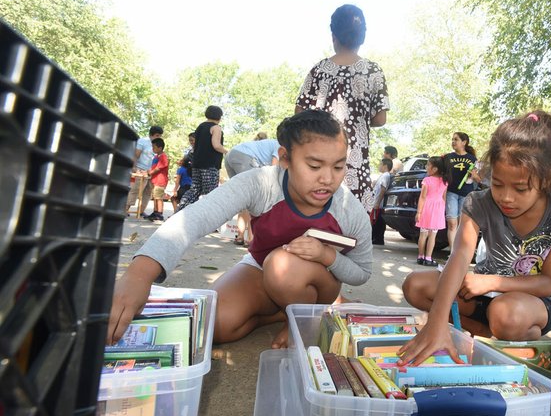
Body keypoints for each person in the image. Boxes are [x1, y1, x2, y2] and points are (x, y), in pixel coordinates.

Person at [106, 110, 372, 350]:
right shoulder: (260, 183)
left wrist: (328, 257)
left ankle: (307, 316)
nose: (328, 178)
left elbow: (362, 272)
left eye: (338, 167)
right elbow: (195, 217)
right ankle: (282, 311)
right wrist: (139, 274)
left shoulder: (349, 209)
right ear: (284, 159)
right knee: (216, 325)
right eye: (314, 166)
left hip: (315, 280)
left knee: (282, 265)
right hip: (258, 267)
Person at [398, 111, 551, 365]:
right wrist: (436, 323)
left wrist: (492, 282)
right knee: (416, 285)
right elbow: (459, 259)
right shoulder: (479, 202)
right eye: (498, 184)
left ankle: (510, 336)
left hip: (529, 304)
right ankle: (480, 336)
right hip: (480, 296)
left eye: (520, 188)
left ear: (546, 179)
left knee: (507, 314)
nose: (506, 197)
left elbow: (550, 283)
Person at [296, 4, 390, 212]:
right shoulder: (373, 72)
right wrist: (359, 119)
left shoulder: (320, 70)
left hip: (317, 162)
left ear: (333, 35)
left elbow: (299, 114)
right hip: (355, 164)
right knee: (353, 229)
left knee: (315, 221)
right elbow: (380, 119)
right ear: (362, 37)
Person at [224, 133, 281, 244]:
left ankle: (240, 236)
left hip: (231, 155)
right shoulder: (282, 144)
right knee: (255, 199)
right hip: (244, 157)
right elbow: (274, 168)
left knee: (244, 200)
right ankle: (251, 239)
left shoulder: (268, 144)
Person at [178, 105, 227, 210]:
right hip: (210, 165)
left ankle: (181, 209)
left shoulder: (200, 127)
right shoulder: (216, 127)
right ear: (219, 116)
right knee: (211, 193)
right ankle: (207, 218)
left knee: (194, 189)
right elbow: (216, 145)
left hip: (197, 163)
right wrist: (227, 151)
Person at [443, 132, 479, 250]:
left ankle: (459, 251)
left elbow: (479, 179)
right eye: (452, 139)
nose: (453, 142)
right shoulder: (447, 157)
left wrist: (473, 175)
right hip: (451, 192)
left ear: (464, 142)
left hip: (466, 193)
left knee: (461, 225)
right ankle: (452, 253)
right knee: (452, 223)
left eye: (456, 139)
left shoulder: (473, 159)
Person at [414, 156, 448, 266]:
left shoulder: (426, 180)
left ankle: (420, 256)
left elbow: (422, 197)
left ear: (434, 169)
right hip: (438, 209)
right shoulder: (445, 181)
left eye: (428, 165)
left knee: (423, 234)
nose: (426, 167)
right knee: (432, 235)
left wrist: (419, 212)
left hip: (426, 208)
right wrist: (442, 211)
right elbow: (444, 197)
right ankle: (428, 258)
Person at [125, 125, 163, 215]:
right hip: (140, 169)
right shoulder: (143, 141)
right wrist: (134, 168)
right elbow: (136, 155)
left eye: (160, 136)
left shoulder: (158, 144)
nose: (159, 137)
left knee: (148, 192)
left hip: (151, 172)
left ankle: (141, 211)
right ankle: (125, 209)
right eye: (157, 135)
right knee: (135, 190)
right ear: (151, 134)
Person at [144, 138, 169, 221]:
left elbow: (159, 167)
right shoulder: (156, 156)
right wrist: (149, 171)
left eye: (154, 147)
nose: (153, 149)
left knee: (159, 197)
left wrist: (150, 172)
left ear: (160, 148)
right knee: (155, 197)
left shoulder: (163, 156)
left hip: (160, 180)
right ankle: (155, 211)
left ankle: (159, 213)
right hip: (155, 180)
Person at [371, 158, 393, 245]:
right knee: (376, 222)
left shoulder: (385, 176)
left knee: (378, 222)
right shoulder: (383, 175)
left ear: (385, 166)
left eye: (380, 164)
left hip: (379, 204)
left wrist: (377, 202)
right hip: (376, 202)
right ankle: (376, 238)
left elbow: (383, 190)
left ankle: (378, 239)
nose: (379, 166)